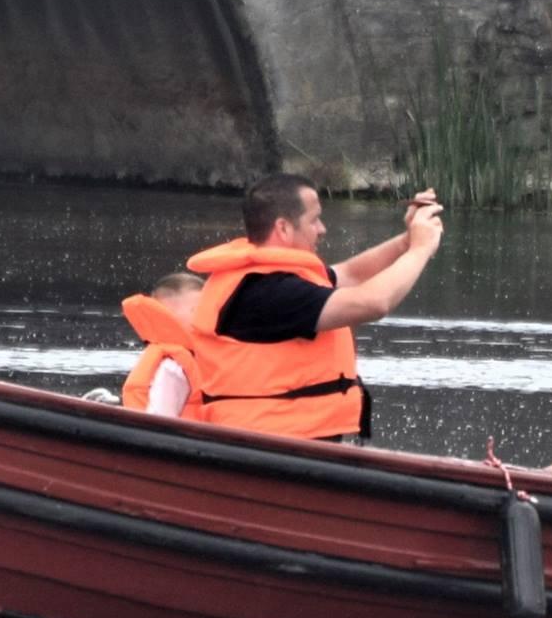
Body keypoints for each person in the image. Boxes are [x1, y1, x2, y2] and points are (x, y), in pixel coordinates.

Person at [185, 175, 442, 439]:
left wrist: (407, 241)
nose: (322, 229)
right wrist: (420, 249)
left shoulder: (266, 278)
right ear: (283, 228)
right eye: (314, 219)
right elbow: (373, 303)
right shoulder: (270, 292)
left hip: (287, 442)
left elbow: (352, 274)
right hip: (274, 447)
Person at [114, 266, 206, 417]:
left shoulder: (197, 357)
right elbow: (160, 421)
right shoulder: (173, 367)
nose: (208, 316)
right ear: (168, 314)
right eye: (195, 310)